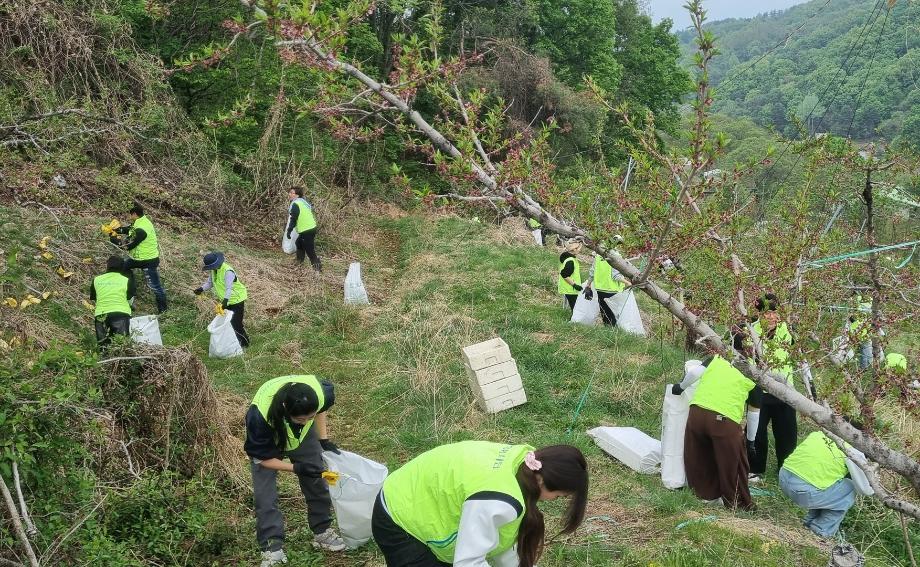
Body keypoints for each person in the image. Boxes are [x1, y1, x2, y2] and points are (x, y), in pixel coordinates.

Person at [372, 441, 588, 567]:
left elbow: (503, 541)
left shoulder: (523, 463)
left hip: (415, 492)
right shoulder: (499, 500)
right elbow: (468, 562)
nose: (553, 501)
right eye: (557, 496)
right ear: (541, 480)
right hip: (400, 515)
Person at [244, 375, 347, 566]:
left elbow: (321, 409)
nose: (306, 421)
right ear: (285, 408)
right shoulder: (259, 417)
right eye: (301, 419)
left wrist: (323, 439)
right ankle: (272, 548)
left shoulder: (321, 392)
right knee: (265, 496)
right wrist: (296, 467)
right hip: (270, 435)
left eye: (310, 417)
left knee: (317, 478)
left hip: (302, 437)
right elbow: (261, 459)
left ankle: (322, 531)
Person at [672, 355, 761, 510]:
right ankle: (737, 503)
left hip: (697, 414)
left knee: (699, 455)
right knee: (734, 463)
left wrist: (681, 386)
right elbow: (754, 414)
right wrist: (750, 441)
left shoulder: (718, 358)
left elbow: (694, 373)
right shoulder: (754, 376)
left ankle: (704, 495)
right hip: (724, 421)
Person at [743, 294, 798, 482]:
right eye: (767, 313)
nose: (772, 317)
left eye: (775, 313)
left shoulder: (787, 330)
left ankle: (786, 469)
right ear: (759, 314)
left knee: (787, 433)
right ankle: (755, 469)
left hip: (785, 391)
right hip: (760, 391)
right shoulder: (750, 331)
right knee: (756, 432)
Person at [779, 430, 861, 538]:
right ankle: (821, 529)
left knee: (826, 483)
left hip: (783, 477)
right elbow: (865, 488)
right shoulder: (852, 452)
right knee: (850, 487)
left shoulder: (820, 433)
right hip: (802, 492)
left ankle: (809, 521)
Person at [111, 202, 167, 313]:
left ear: (135, 214)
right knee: (122, 268)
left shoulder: (142, 229)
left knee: (155, 286)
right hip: (137, 259)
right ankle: (130, 293)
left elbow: (128, 245)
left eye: (130, 215)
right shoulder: (140, 221)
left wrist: (115, 241)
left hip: (149, 261)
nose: (129, 217)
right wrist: (116, 230)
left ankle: (163, 310)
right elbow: (130, 229)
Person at [194, 252, 249, 348]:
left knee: (236, 323)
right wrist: (201, 289)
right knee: (229, 323)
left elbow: (229, 288)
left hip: (236, 300)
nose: (211, 268)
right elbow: (210, 283)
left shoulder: (228, 272)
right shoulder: (213, 271)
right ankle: (234, 342)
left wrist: (225, 302)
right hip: (226, 301)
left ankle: (244, 344)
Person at [89, 255, 136, 348]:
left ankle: (104, 356)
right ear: (122, 267)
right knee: (121, 345)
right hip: (121, 314)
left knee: (103, 346)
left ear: (107, 266)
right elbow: (130, 299)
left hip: (101, 315)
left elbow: (94, 298)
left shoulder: (96, 280)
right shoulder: (126, 280)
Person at [584, 253, 625, 327]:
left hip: (600, 289)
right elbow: (616, 276)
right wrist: (628, 282)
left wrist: (588, 284)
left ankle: (607, 329)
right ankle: (613, 331)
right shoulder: (616, 255)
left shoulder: (598, 255)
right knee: (614, 314)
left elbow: (592, 272)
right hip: (612, 290)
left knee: (605, 313)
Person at [286, 187, 322, 272]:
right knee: (299, 243)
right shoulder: (302, 201)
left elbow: (293, 219)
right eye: (289, 192)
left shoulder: (296, 204)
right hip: (311, 227)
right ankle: (299, 263)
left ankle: (317, 269)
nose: (289, 194)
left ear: (297, 195)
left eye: (292, 193)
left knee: (310, 250)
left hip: (307, 230)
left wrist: (289, 230)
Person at [558, 241, 583, 311]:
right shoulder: (570, 261)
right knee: (575, 310)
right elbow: (564, 274)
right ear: (574, 249)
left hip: (570, 290)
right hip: (571, 290)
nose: (580, 250)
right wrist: (575, 285)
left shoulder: (569, 259)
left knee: (574, 309)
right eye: (578, 248)